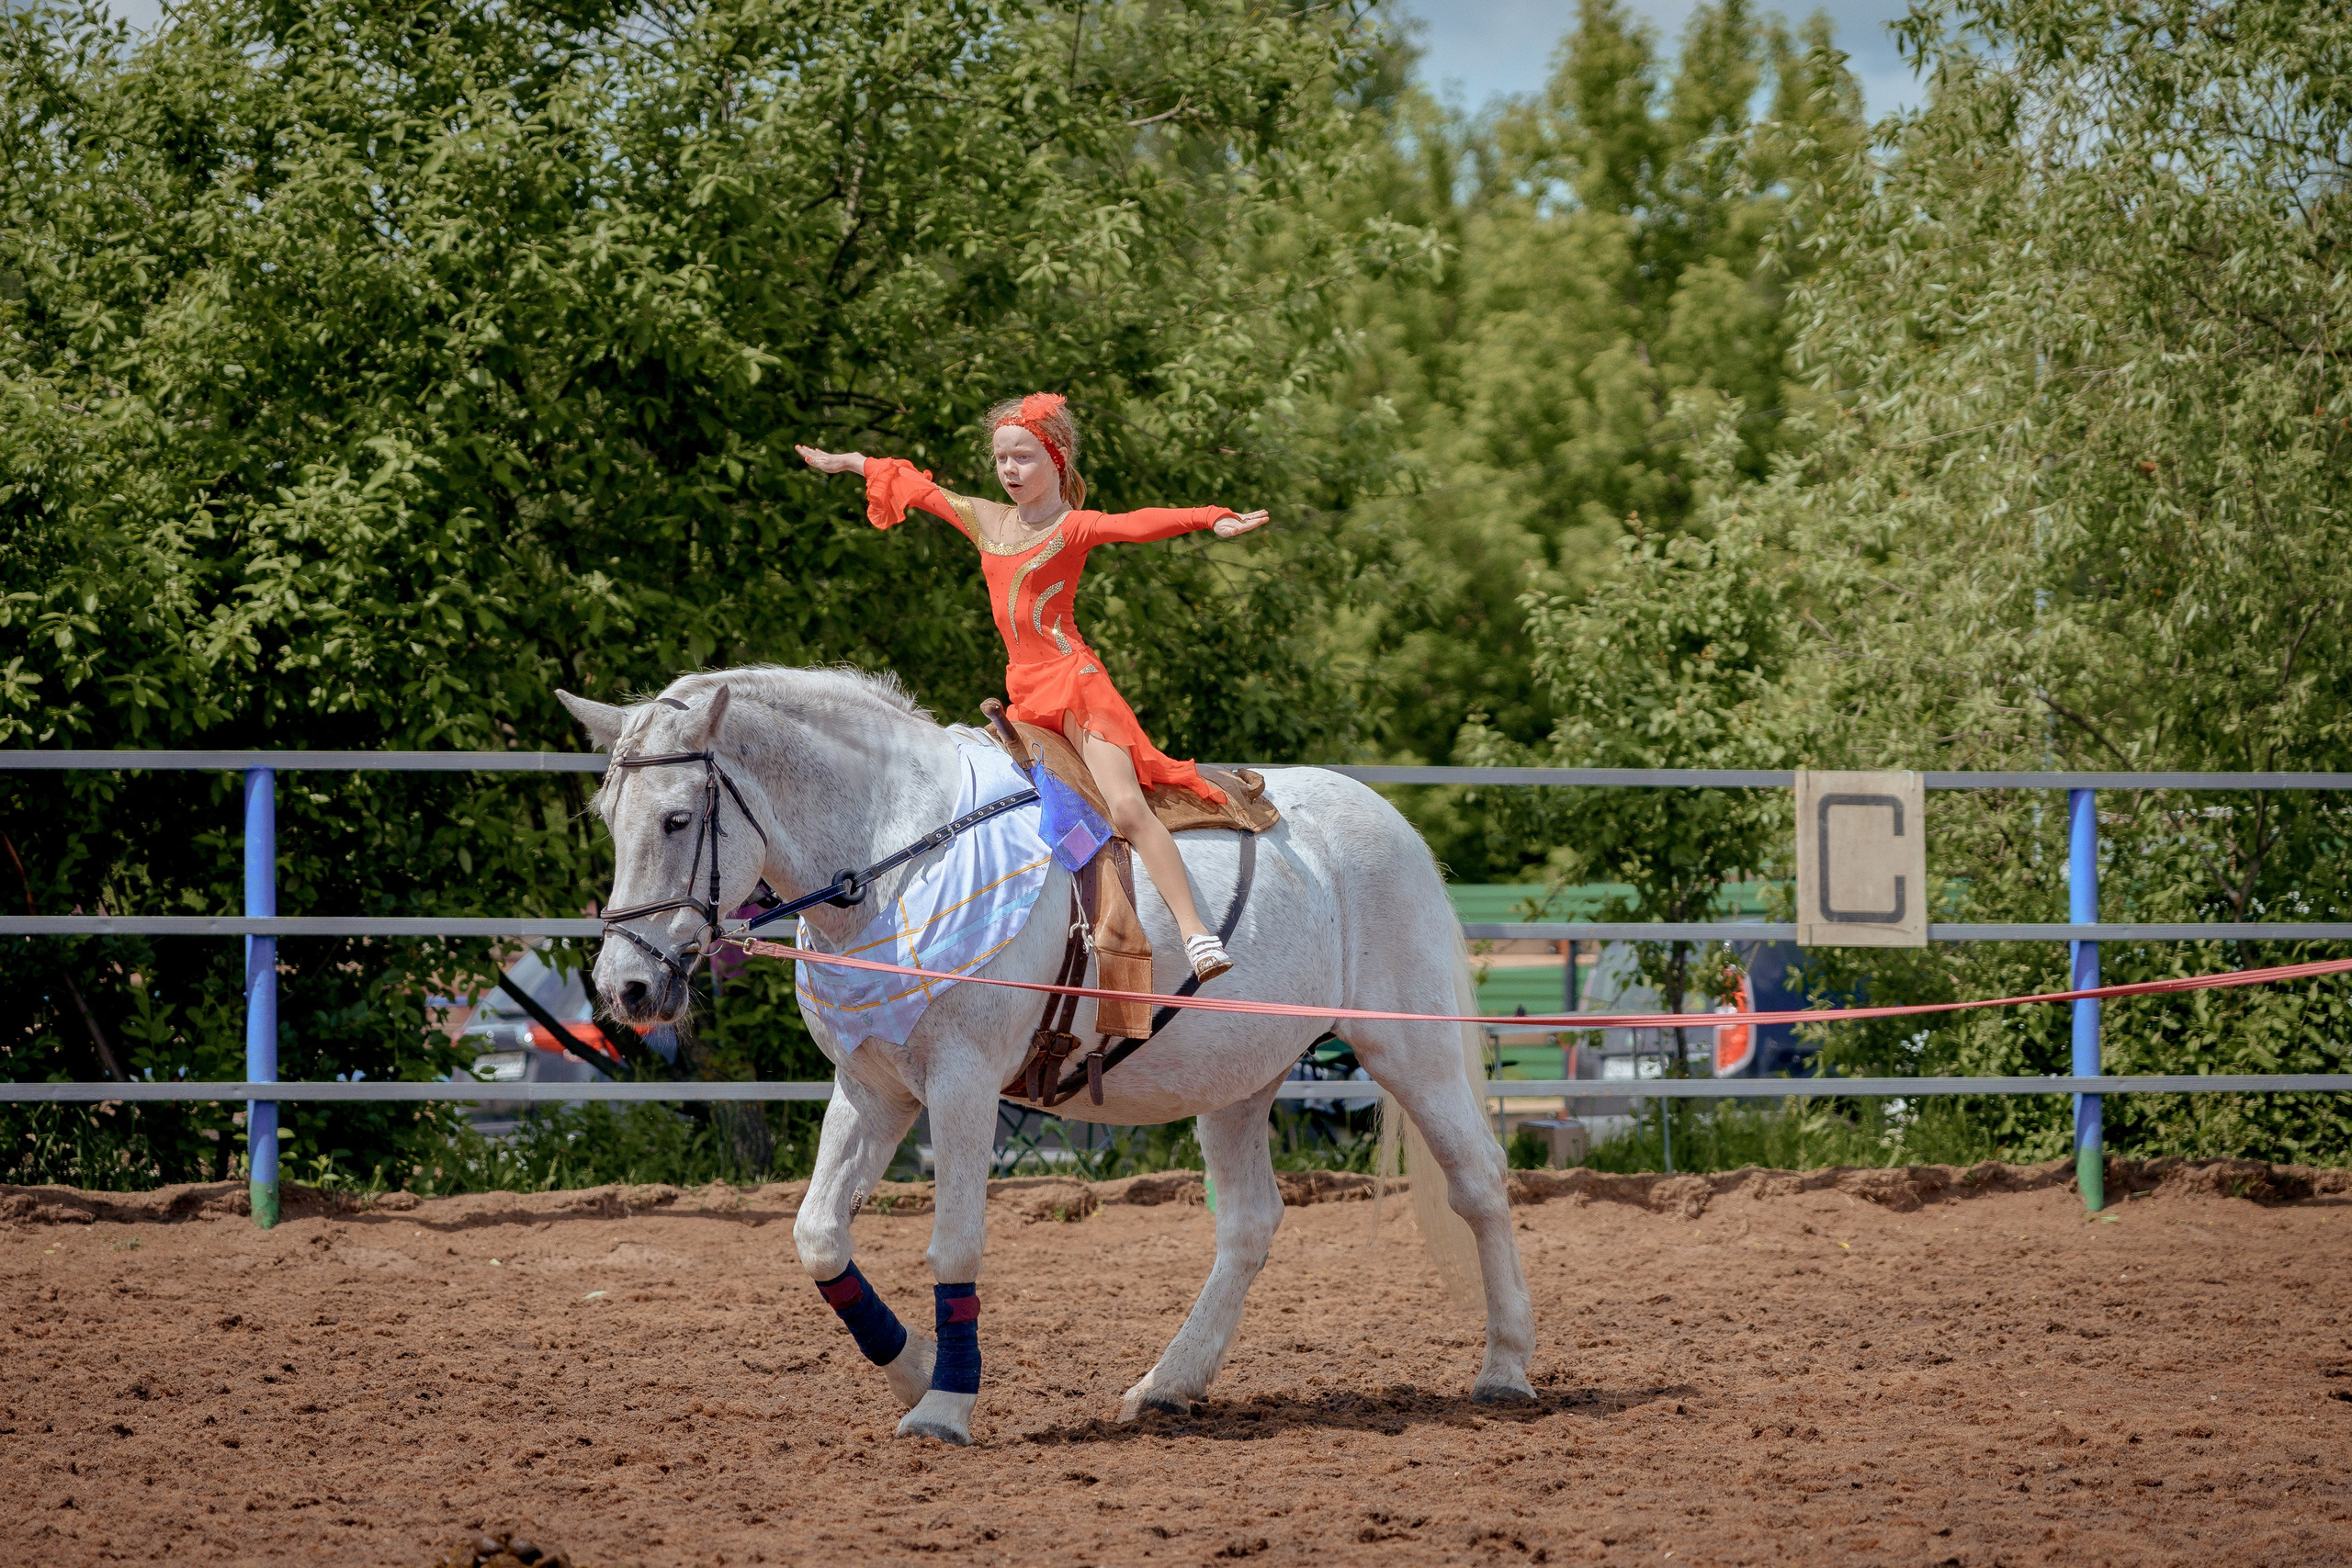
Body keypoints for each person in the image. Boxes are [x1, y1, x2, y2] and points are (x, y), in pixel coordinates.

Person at [797, 394, 1269, 980]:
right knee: (1029, 814)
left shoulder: (1072, 528)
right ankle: (1073, 930)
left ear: (1058, 458)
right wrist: (852, 463)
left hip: (1075, 683)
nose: (1010, 471)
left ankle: (1195, 932)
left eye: (1023, 457)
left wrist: (1209, 517)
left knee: (1123, 805)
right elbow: (920, 490)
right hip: (1023, 693)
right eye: (1001, 460)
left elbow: (1136, 524)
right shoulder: (987, 520)